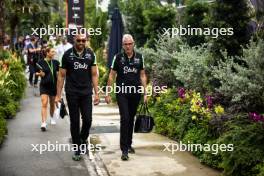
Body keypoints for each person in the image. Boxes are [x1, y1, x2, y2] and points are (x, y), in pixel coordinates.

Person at [55, 34, 100, 161]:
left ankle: (82, 138)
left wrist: (97, 93)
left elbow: (94, 75)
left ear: (86, 41)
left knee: (88, 119)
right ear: (74, 40)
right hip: (72, 92)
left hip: (86, 93)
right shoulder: (67, 55)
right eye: (79, 40)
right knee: (75, 122)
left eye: (83, 40)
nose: (81, 42)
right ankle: (77, 149)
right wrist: (58, 95)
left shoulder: (91, 54)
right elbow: (61, 76)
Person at [105, 34, 148, 161]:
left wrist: (145, 93)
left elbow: (142, 75)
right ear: (123, 45)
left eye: (130, 44)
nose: (128, 46)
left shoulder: (139, 57)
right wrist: (107, 93)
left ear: (133, 44)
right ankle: (124, 149)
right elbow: (112, 75)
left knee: (131, 119)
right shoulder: (118, 58)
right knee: (125, 118)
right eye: (125, 44)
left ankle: (129, 144)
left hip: (135, 93)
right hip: (122, 92)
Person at [36, 47, 60, 131]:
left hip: (53, 87)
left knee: (52, 104)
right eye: (52, 52)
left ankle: (52, 117)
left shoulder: (56, 62)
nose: (54, 53)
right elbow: (37, 72)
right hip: (44, 86)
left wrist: (59, 87)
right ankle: (43, 123)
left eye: (54, 52)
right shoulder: (41, 62)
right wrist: (40, 74)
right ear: (47, 53)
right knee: (44, 103)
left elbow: (58, 75)